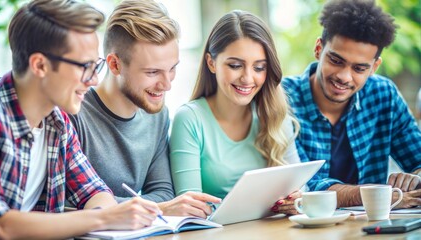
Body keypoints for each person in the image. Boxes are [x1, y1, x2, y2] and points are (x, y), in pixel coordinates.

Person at [0, 0, 162, 239]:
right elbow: (1, 225)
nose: (94, 80)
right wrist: (105, 217)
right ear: (40, 65)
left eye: (96, 66)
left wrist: (110, 213)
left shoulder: (58, 122)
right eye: (85, 66)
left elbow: (94, 192)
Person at [69, 0, 221, 219]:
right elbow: (71, 201)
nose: (167, 84)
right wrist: (160, 209)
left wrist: (154, 206)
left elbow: (163, 193)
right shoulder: (74, 115)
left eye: (172, 69)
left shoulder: (158, 116)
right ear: (114, 65)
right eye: (152, 72)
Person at [281, 0, 421, 209]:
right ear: (319, 49)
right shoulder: (282, 98)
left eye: (359, 68)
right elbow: (307, 189)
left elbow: (417, 157)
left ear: (374, 67)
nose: (344, 77)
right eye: (336, 61)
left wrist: (416, 177)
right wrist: (379, 196)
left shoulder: (383, 95)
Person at [169, 10, 301, 215]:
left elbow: (301, 191)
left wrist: (297, 201)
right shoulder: (190, 119)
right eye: (236, 65)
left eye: (259, 68)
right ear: (211, 63)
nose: (248, 78)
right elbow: (189, 208)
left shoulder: (275, 114)